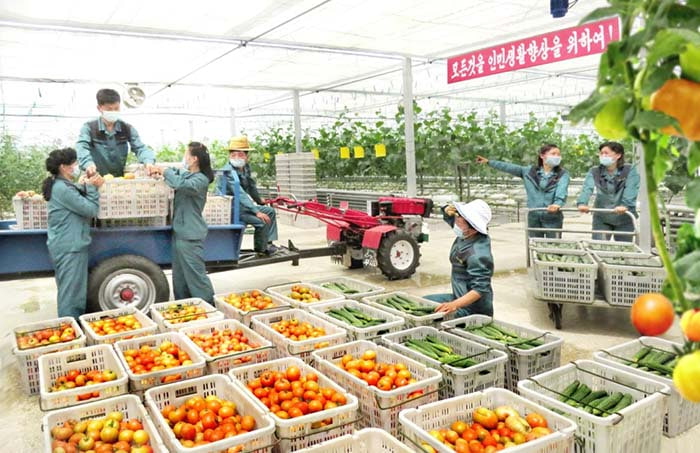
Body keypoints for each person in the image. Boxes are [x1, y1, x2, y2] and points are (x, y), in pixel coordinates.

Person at [43, 148, 104, 319]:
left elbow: (74, 195)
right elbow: (90, 210)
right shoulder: (61, 188)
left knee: (71, 289)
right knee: (71, 294)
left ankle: (70, 325)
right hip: (70, 246)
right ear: (64, 167)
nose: (77, 167)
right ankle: (70, 327)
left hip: (66, 244)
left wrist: (83, 184)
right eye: (75, 164)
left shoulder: (60, 185)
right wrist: (91, 188)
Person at [151, 142, 215, 302]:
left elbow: (180, 184)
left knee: (195, 276)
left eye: (186, 154)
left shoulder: (201, 180)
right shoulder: (189, 175)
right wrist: (161, 169)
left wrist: (165, 171)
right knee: (180, 277)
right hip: (180, 232)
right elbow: (178, 173)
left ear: (194, 159)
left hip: (190, 234)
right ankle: (184, 305)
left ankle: (209, 307)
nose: (184, 158)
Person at [476, 144, 570, 238]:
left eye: (558, 154)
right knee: (534, 243)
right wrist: (489, 162)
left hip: (552, 217)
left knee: (553, 243)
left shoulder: (562, 174)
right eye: (553, 154)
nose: (556, 157)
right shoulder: (529, 172)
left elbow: (562, 190)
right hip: (533, 215)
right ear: (542, 156)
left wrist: (557, 204)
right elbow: (508, 167)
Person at [426, 199, 495, 318]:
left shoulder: (477, 254)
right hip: (458, 296)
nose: (456, 218)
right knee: (423, 302)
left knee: (434, 315)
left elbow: (480, 289)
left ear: (472, 224)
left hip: (472, 309)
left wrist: (454, 305)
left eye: (460, 216)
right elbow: (449, 216)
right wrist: (447, 208)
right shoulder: (466, 232)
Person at [216, 136, 279, 255]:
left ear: (246, 157)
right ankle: (261, 249)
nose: (237, 157)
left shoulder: (244, 168)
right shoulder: (228, 172)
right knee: (262, 221)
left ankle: (268, 243)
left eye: (240, 155)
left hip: (242, 206)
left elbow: (251, 186)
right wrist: (256, 211)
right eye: (233, 155)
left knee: (270, 211)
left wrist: (259, 200)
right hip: (231, 208)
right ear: (229, 156)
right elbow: (240, 194)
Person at [76, 88, 156, 177]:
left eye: (116, 108)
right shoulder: (89, 128)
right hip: (95, 178)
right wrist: (88, 164)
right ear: (99, 108)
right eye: (109, 109)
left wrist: (148, 162)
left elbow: (140, 147)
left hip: (118, 179)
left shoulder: (126, 128)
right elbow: (82, 146)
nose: (113, 112)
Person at [577, 141, 640, 242]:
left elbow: (631, 188)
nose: (603, 156)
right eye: (601, 153)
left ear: (618, 155)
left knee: (624, 247)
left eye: (606, 153)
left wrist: (625, 205)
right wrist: (582, 203)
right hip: (602, 217)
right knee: (599, 246)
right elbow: (587, 188)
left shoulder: (629, 170)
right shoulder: (595, 171)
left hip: (624, 216)